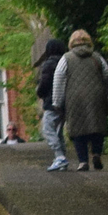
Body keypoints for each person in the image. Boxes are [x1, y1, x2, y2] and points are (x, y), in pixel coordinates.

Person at [50, 29, 108, 170]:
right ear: (89, 41)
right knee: (97, 126)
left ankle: (83, 161)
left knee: (77, 129)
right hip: (96, 95)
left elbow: (59, 78)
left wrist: (57, 101)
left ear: (71, 43)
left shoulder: (66, 58)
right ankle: (97, 154)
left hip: (74, 97)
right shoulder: (97, 57)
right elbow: (107, 74)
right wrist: (104, 89)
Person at [32, 37, 69, 170]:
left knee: (47, 129)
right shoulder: (66, 62)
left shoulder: (49, 64)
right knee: (58, 131)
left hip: (51, 101)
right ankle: (61, 157)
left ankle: (60, 156)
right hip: (65, 101)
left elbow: (45, 83)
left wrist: (40, 92)